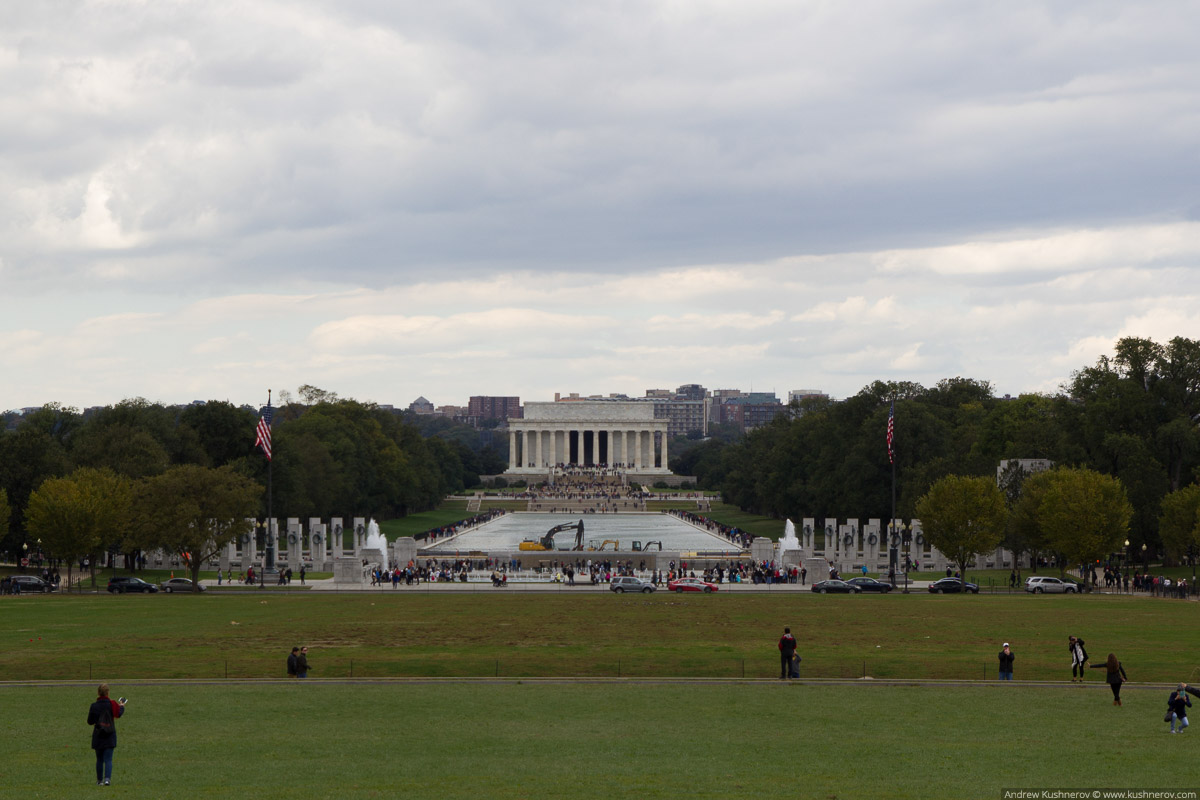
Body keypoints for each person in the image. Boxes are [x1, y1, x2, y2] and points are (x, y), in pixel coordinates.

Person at [87, 683, 125, 786]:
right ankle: (107, 779)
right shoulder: (112, 704)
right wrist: (121, 706)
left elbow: (90, 721)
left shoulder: (94, 706)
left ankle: (99, 780)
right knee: (108, 759)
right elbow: (118, 714)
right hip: (110, 733)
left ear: (98, 693)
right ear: (108, 693)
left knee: (99, 759)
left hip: (98, 734)